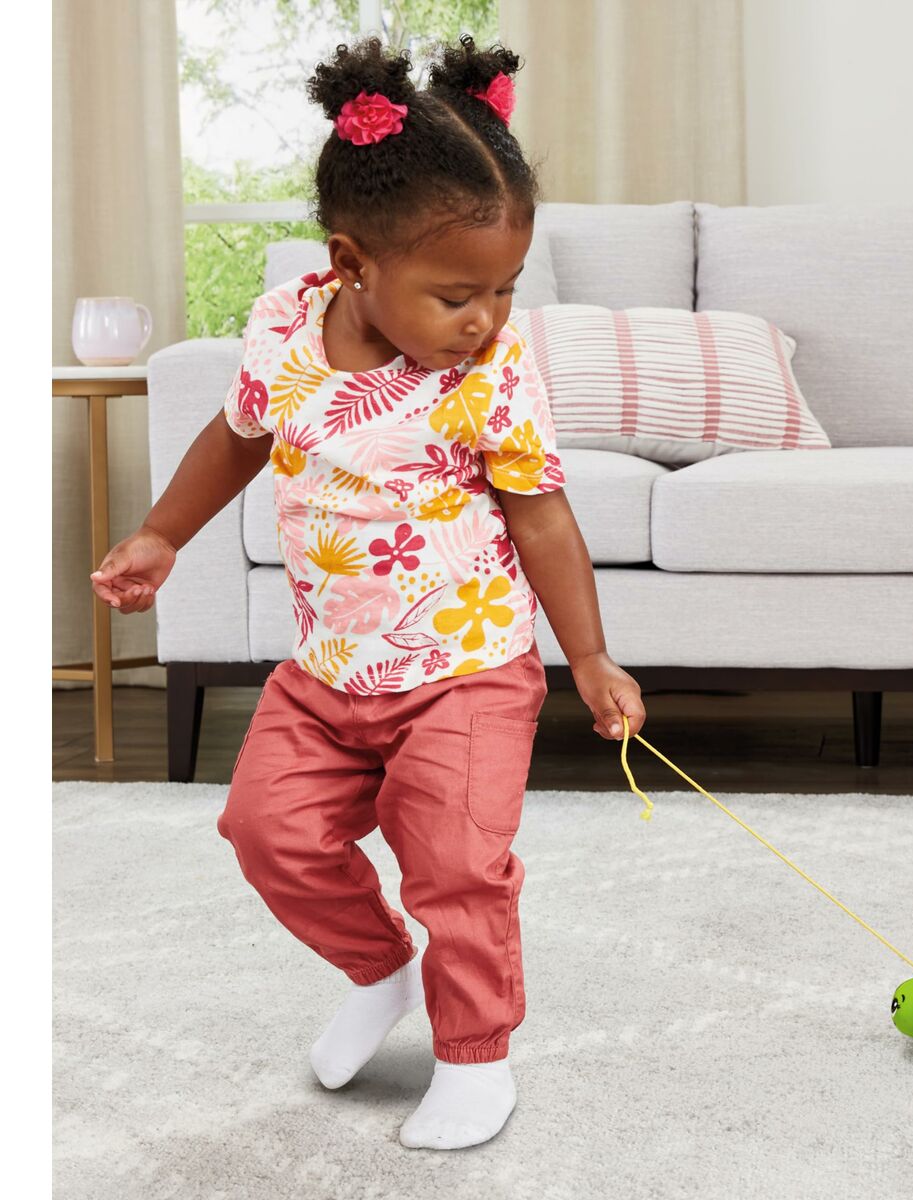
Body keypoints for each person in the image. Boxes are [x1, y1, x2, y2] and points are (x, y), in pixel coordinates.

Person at [90, 33, 647, 1151]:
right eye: (457, 294)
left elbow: (541, 513)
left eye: (505, 288)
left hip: (467, 673)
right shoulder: (282, 332)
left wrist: (588, 655)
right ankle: (379, 970)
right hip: (327, 673)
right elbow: (237, 436)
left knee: (457, 866)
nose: (487, 317)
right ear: (351, 264)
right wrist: (161, 533)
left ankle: (476, 1057)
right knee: (265, 831)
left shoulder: (491, 372)